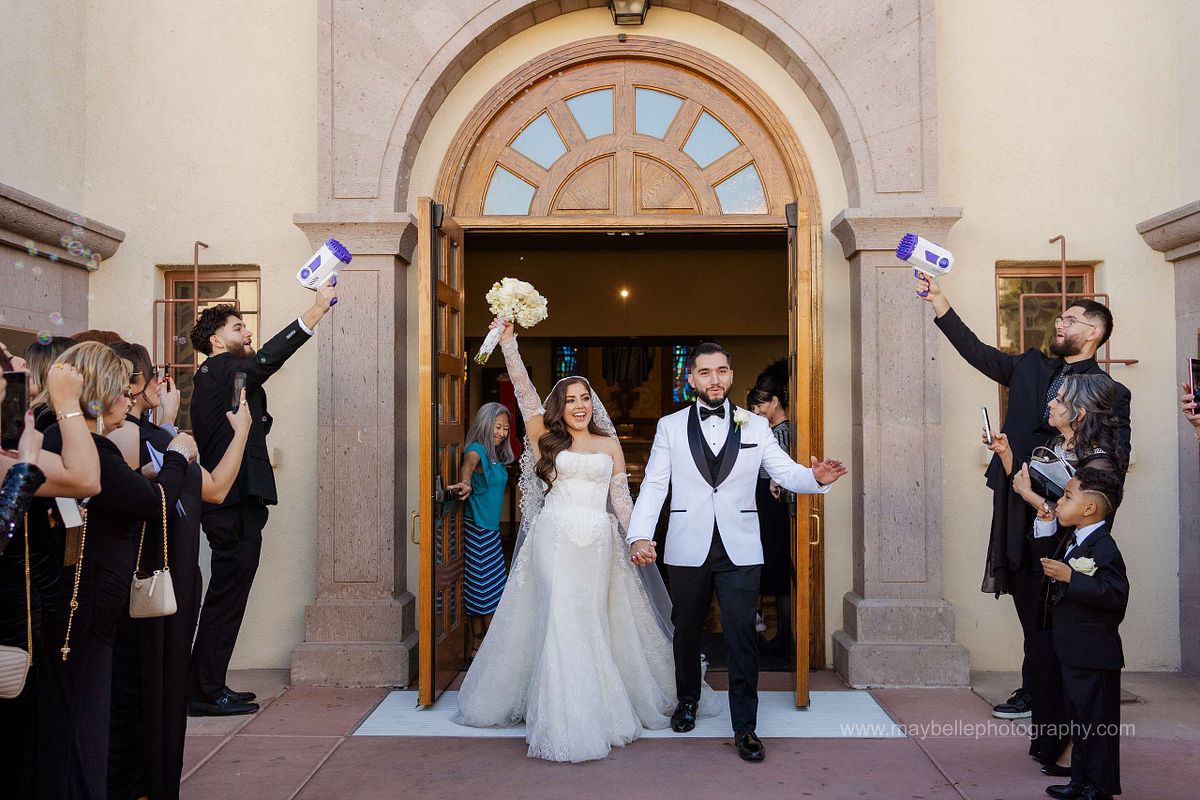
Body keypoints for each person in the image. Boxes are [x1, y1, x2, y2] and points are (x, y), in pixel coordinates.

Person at [455, 321, 696, 763]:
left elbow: (623, 501)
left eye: (585, 398)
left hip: (599, 543)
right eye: (570, 400)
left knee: (591, 619)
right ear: (559, 407)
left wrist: (639, 539)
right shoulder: (545, 439)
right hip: (555, 538)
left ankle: (599, 707)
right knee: (562, 617)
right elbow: (525, 392)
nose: (579, 406)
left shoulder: (609, 445)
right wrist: (509, 344)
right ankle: (562, 720)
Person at [917, 273, 1131, 720]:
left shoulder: (1110, 391)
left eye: (1070, 320)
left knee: (1063, 599)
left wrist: (1083, 517)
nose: (1059, 323)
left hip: (1068, 510)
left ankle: (1059, 693)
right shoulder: (1031, 365)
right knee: (1027, 591)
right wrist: (940, 300)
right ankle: (1037, 687)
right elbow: (977, 352)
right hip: (1015, 496)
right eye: (1060, 317)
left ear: (1094, 332)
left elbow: (1115, 461)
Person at [627, 342, 847, 762]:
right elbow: (655, 484)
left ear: (730, 375)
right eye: (706, 372)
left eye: (722, 371)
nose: (715, 379)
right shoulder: (670, 426)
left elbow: (786, 472)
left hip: (741, 548)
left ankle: (745, 726)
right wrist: (640, 535)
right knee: (686, 630)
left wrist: (816, 478)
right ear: (690, 379)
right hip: (686, 545)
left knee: (743, 636)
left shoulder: (755, 426)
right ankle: (687, 700)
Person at [33, 342, 196, 800]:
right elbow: (150, 504)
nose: (130, 398)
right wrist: (178, 452)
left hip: (76, 605)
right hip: (81, 612)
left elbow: (109, 492)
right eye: (122, 389)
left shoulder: (55, 438)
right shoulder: (85, 446)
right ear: (101, 392)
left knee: (75, 722)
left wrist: (141, 474)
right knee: (81, 725)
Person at [105, 341, 251, 799]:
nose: (160, 384)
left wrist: (167, 424)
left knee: (143, 694)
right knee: (145, 693)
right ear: (134, 383)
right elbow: (215, 489)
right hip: (150, 582)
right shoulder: (134, 437)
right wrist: (240, 431)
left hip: (158, 578)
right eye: (153, 377)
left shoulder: (150, 433)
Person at [187, 279, 337, 716]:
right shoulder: (217, 370)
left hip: (240, 504)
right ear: (217, 341)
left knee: (228, 600)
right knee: (225, 601)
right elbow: (267, 361)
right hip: (229, 507)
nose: (247, 333)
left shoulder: (225, 377)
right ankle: (203, 691)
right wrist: (314, 313)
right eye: (238, 328)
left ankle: (208, 684)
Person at [986, 372, 1126, 774]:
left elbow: (1070, 509)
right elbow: (1038, 490)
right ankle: (1051, 745)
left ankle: (1071, 754)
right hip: (1040, 553)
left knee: (1062, 658)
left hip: (1068, 561)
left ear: (1079, 411)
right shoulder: (1052, 444)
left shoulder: (1097, 460)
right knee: (1042, 654)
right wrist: (1009, 455)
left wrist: (1034, 498)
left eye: (1059, 400)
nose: (1050, 404)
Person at [0, 350, 97, 800]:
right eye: (12, 378)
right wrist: (67, 405)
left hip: (22, 631)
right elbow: (85, 478)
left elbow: (82, 479)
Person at [1034, 468, 1128, 800]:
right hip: (1074, 650)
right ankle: (1080, 779)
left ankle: (1099, 788)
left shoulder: (1104, 547)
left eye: (1068, 496)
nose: (1060, 501)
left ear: (1090, 508)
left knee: (1097, 725)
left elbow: (1115, 594)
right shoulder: (1074, 539)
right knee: (1079, 720)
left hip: (1095, 653)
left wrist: (1073, 578)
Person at [447, 402, 513, 658]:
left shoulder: (495, 456)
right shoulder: (477, 450)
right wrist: (465, 481)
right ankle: (488, 645)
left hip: (489, 531)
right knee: (487, 586)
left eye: (506, 428)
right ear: (485, 425)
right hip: (478, 531)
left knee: (483, 584)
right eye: (497, 426)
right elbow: (468, 461)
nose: (502, 432)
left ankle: (478, 645)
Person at [746, 359, 793, 657]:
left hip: (773, 508)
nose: (756, 412)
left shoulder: (782, 433)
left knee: (775, 571)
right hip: (764, 504)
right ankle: (770, 633)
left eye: (760, 406)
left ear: (775, 401)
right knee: (769, 571)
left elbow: (783, 470)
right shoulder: (770, 429)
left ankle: (783, 637)